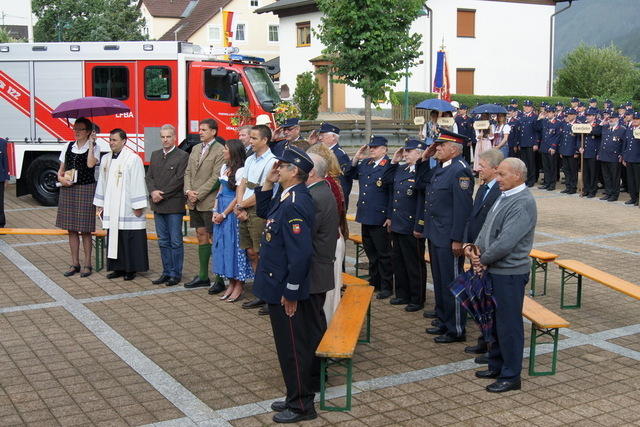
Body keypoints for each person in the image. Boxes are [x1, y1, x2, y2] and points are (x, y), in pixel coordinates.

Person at [251, 146, 318, 423]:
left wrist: (291, 292)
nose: (276, 168)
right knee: (286, 347)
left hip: (286, 290)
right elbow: (265, 212)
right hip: (275, 284)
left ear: (294, 171)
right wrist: (267, 181)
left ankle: (302, 405)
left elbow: (300, 254)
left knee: (294, 348)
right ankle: (294, 395)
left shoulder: (296, 202)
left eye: (281, 166)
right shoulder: (286, 195)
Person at [467, 157, 537, 393]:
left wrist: (482, 260)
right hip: (493, 269)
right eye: (497, 174)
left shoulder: (523, 202)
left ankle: (511, 375)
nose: (497, 179)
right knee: (493, 322)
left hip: (508, 273)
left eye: (502, 175)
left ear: (517, 176)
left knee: (509, 325)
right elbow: (487, 228)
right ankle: (496, 364)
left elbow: (506, 242)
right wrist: (475, 250)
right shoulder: (505, 195)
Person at [416, 129, 473, 343]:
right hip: (436, 233)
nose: (436, 148)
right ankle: (443, 319)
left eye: (440, 145)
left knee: (453, 283)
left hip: (449, 237)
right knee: (440, 282)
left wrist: (458, 239)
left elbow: (463, 209)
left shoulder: (460, 171)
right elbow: (421, 182)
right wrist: (424, 158)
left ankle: (456, 328)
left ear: (453, 149)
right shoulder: (442, 167)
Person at [462, 148, 503, 361]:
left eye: (483, 166)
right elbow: (473, 218)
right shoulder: (483, 188)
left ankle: (492, 346)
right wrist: (469, 243)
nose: (477, 169)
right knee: (481, 302)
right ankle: (483, 339)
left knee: (490, 304)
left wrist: (482, 256)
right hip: (476, 250)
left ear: (496, 169)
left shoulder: (500, 191)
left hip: (487, 256)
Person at [94, 129, 149, 280]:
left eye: (115, 140)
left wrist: (138, 206)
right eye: (110, 140)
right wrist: (100, 203)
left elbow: (138, 181)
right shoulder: (105, 159)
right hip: (112, 205)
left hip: (127, 205)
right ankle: (117, 267)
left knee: (129, 236)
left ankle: (131, 269)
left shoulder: (132, 159)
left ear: (124, 141)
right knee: (114, 236)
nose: (111, 142)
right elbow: (102, 182)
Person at [346, 135, 396, 299]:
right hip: (365, 214)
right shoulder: (366, 164)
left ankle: (387, 286)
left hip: (380, 216)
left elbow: (391, 194)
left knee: (384, 254)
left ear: (384, 149)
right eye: (371, 147)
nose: (372, 150)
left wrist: (389, 216)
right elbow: (349, 174)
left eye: (375, 147)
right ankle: (375, 282)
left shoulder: (388, 166)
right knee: (371, 253)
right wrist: (355, 159)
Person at [237, 125, 278, 314]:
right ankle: (260, 292)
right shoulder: (250, 159)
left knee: (263, 254)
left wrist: (243, 205)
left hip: (259, 210)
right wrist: (239, 205)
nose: (250, 141)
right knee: (251, 252)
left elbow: (263, 191)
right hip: (244, 207)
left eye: (254, 138)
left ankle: (271, 295)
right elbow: (243, 183)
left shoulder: (272, 161)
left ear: (265, 140)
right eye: (250, 138)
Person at [306, 143, 349, 321]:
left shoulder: (325, 185)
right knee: (331, 286)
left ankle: (327, 326)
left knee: (328, 289)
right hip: (333, 237)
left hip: (328, 240)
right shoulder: (331, 181)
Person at [183, 118, 225, 291]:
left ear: (214, 132)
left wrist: (198, 194)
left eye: (204, 130)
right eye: (200, 129)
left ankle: (220, 278)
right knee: (200, 235)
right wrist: (188, 191)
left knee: (215, 239)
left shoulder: (220, 150)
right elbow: (188, 172)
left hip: (208, 201)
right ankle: (202, 276)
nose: (200, 132)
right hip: (193, 201)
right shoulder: (195, 148)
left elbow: (216, 177)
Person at [56, 117, 100, 278]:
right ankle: (75, 263)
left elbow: (90, 164)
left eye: (80, 129)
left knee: (86, 230)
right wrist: (61, 179)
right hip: (69, 190)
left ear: (88, 131)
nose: (76, 132)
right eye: (75, 129)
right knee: (71, 229)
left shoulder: (95, 147)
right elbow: (60, 170)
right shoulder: (67, 146)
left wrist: (91, 145)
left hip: (86, 189)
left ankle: (87, 264)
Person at [146, 124, 189, 286]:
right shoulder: (155, 155)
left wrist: (160, 194)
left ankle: (175, 273)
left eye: (168, 136)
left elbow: (179, 180)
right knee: (163, 240)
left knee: (175, 241)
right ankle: (166, 271)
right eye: (163, 137)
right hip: (158, 205)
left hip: (173, 205)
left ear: (174, 137)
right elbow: (149, 177)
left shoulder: (182, 156)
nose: (165, 140)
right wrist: (152, 192)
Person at [388, 139, 428, 312]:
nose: (405, 154)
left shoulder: (423, 173)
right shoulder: (402, 169)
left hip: (412, 224)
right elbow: (388, 183)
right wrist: (394, 161)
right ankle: (402, 294)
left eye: (409, 151)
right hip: (398, 222)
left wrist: (419, 225)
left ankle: (417, 298)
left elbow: (422, 202)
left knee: (414, 264)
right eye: (405, 151)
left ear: (419, 153)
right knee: (399, 261)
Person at [212, 140, 254, 302]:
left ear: (233, 152)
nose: (223, 151)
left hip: (231, 213)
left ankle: (239, 284)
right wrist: (215, 210)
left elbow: (238, 197)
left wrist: (223, 213)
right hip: (221, 210)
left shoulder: (241, 170)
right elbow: (220, 190)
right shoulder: (224, 168)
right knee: (222, 247)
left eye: (226, 149)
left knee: (234, 248)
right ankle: (230, 282)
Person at [318, 123, 352, 209]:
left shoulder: (340, 155)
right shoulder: (323, 152)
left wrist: (341, 200)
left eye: (323, 135)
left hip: (335, 199)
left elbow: (344, 182)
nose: (320, 138)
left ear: (333, 137)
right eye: (320, 135)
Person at [599, 112, 626, 202]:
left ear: (617, 119)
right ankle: (608, 193)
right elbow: (602, 142)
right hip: (604, 155)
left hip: (614, 157)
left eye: (613, 118)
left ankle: (614, 195)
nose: (610, 119)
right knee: (606, 176)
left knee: (614, 176)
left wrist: (622, 155)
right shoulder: (605, 128)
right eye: (610, 118)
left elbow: (624, 144)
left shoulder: (621, 129)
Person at [516, 100, 540, 187]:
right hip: (523, 143)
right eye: (525, 106)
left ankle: (531, 180)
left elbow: (537, 131)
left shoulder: (535, 117)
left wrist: (536, 143)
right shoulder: (522, 117)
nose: (526, 108)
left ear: (531, 108)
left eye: (528, 106)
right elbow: (519, 131)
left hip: (531, 143)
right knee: (524, 163)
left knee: (531, 163)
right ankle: (525, 179)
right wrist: (518, 143)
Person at [538, 106, 561, 191]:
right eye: (547, 112)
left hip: (552, 148)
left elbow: (558, 136)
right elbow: (536, 128)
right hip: (544, 147)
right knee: (545, 167)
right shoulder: (544, 121)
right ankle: (546, 183)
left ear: (554, 113)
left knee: (552, 167)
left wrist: (553, 146)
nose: (548, 114)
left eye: (550, 112)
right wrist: (539, 118)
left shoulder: (558, 123)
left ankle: (552, 184)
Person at [557, 108, 580, 195]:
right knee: (566, 170)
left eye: (571, 114)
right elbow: (562, 138)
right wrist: (561, 151)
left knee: (573, 170)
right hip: (565, 150)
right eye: (568, 114)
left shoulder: (577, 125)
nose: (569, 116)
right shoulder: (565, 124)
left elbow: (578, 139)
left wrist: (576, 151)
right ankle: (568, 186)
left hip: (572, 151)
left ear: (575, 115)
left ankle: (573, 187)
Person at [581, 108, 602, 198]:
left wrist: (589, 128)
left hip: (593, 152)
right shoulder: (583, 125)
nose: (588, 117)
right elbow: (579, 137)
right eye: (587, 115)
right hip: (584, 152)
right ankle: (586, 189)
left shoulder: (597, 125)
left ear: (594, 116)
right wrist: (579, 147)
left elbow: (597, 133)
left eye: (590, 115)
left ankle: (592, 191)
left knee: (593, 173)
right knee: (585, 173)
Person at [622, 112, 640, 206]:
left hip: (638, 159)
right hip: (629, 158)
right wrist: (624, 157)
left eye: (637, 119)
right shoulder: (629, 129)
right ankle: (633, 198)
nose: (635, 120)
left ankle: (638, 198)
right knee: (631, 180)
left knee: (638, 180)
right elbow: (626, 144)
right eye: (634, 119)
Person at [0, 137, 8, 228]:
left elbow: (5, 160)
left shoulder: (2, 142)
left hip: (0, 178)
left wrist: (6, 177)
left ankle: (1, 224)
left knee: (0, 203)